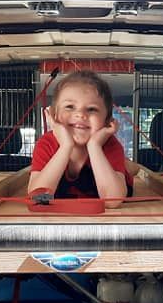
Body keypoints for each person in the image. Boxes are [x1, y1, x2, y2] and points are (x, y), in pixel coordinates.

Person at [28, 70, 134, 208]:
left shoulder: (111, 146)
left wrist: (94, 146)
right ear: (54, 115)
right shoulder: (46, 144)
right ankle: (128, 165)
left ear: (107, 121)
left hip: (105, 205)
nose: (80, 114)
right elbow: (37, 198)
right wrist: (66, 146)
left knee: (129, 169)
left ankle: (128, 167)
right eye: (70, 107)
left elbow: (112, 202)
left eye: (91, 109)